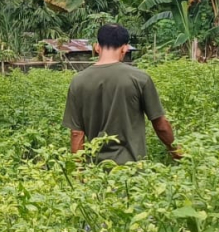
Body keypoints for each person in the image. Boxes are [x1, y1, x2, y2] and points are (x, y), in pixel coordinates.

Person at [62, 24, 181, 164]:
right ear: (125, 48)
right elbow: (160, 125)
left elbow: (77, 133)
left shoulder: (78, 81)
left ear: (96, 47)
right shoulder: (140, 78)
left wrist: (79, 172)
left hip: (96, 174)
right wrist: (177, 153)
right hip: (132, 170)